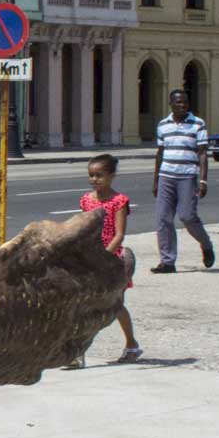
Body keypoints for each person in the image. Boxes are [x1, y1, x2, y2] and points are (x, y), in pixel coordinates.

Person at [73, 154, 142, 365]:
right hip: (89, 258)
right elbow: (82, 228)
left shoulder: (118, 201)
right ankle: (77, 353)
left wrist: (104, 257)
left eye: (99, 175)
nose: (94, 180)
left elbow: (119, 234)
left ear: (111, 176)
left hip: (111, 260)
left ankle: (132, 345)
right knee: (83, 305)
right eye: (91, 175)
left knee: (115, 305)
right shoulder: (86, 200)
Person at [150, 87, 213, 273]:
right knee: (163, 219)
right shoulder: (163, 125)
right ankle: (167, 261)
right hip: (166, 176)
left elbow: (202, 154)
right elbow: (160, 153)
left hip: (187, 176)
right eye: (178, 102)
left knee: (187, 216)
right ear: (171, 104)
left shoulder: (197, 124)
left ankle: (206, 244)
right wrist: (155, 181)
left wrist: (203, 181)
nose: (182, 105)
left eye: (185, 102)